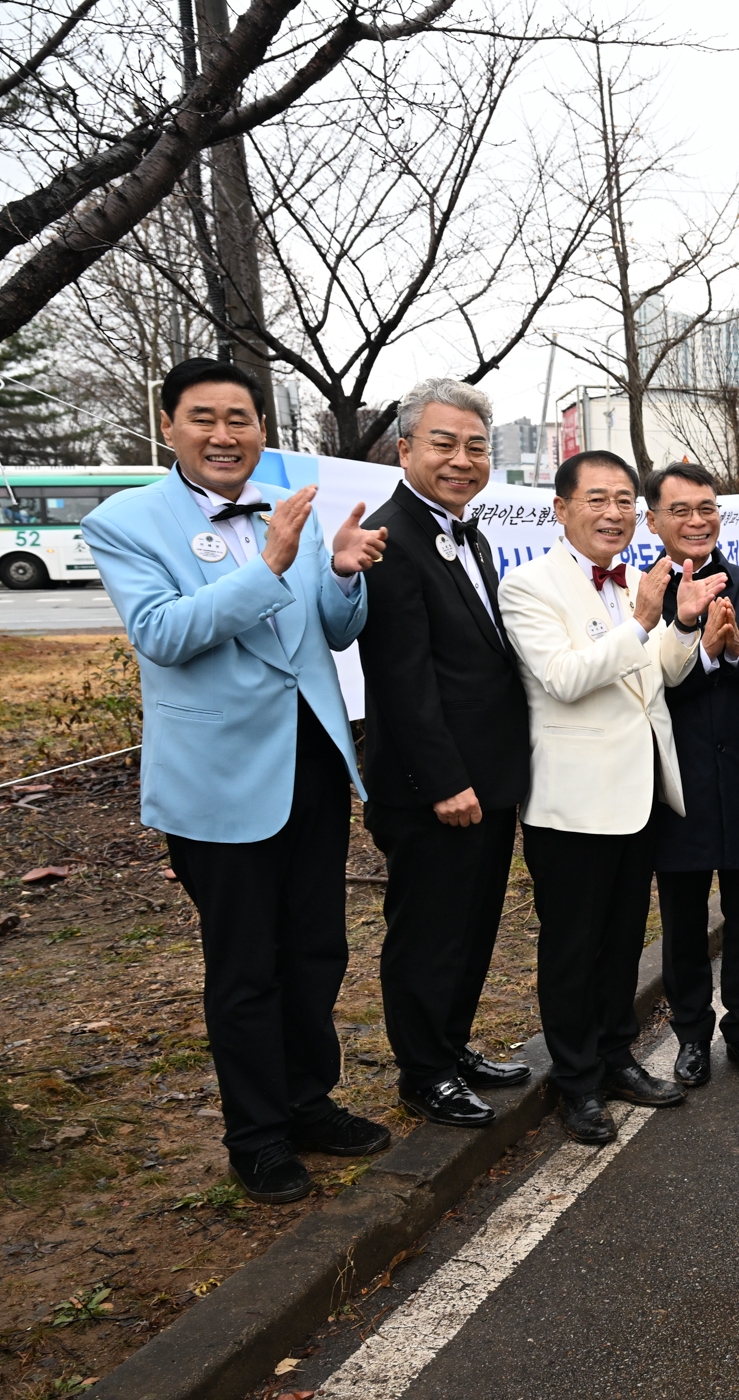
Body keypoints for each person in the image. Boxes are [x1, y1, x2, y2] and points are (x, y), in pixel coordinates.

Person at [83, 358, 388, 1203]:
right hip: (218, 777)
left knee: (317, 949)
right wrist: (272, 564)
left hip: (313, 761)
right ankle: (256, 1136)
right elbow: (162, 634)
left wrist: (341, 571)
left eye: (240, 419)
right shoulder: (126, 521)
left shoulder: (290, 504)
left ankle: (308, 1102)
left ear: (261, 429)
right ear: (168, 426)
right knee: (246, 963)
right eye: (203, 418)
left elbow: (332, 633)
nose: (223, 435)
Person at [499, 450, 707, 1145]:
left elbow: (655, 678)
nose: (613, 513)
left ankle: (618, 1059)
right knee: (572, 950)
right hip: (572, 803)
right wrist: (644, 621)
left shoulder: (632, 583)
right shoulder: (528, 585)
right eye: (597, 499)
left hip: (637, 793)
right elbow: (563, 678)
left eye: (624, 500)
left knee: (621, 944)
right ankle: (577, 1082)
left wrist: (681, 626)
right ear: (561, 509)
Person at [359, 379, 532, 1131]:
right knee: (428, 933)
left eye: (476, 447)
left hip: (487, 779)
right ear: (405, 450)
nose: (462, 460)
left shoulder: (470, 534)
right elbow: (400, 679)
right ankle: (423, 1072)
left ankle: (451, 1046)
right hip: (434, 788)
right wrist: (444, 781)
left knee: (472, 927)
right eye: (444, 444)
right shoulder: (389, 537)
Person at [644, 461, 739, 1089]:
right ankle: (690, 1035)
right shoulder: (641, 598)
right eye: (679, 510)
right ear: (653, 520)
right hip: (675, 782)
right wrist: (694, 645)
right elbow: (640, 687)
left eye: (706, 508)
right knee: (682, 920)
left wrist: (736, 650)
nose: (696, 521)